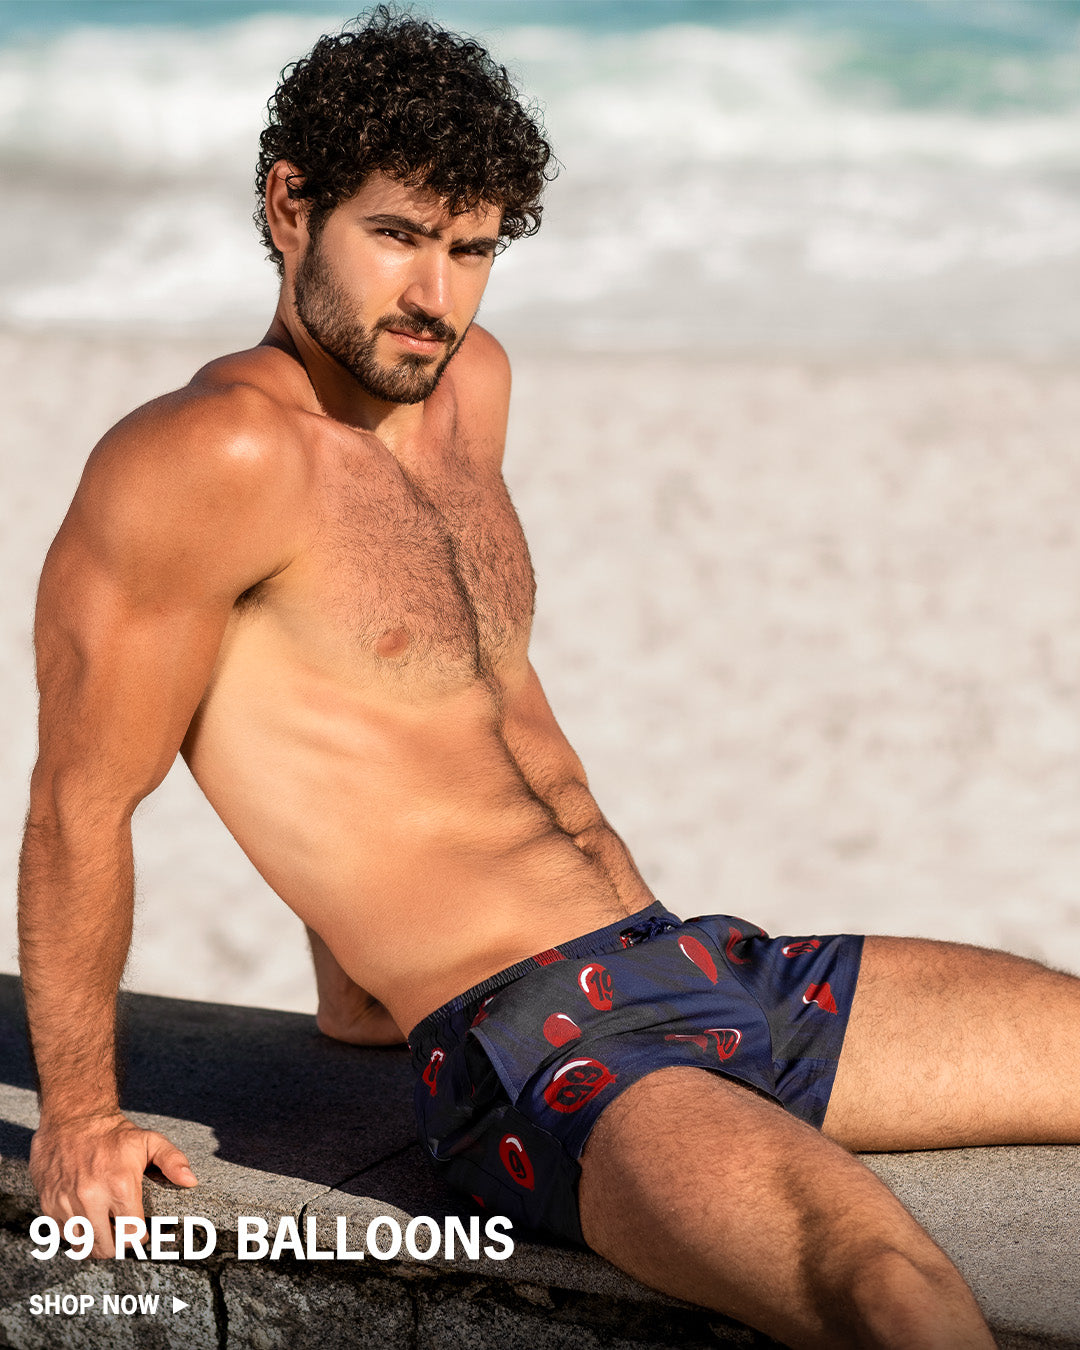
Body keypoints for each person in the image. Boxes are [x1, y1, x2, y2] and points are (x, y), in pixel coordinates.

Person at [17, 9, 1080, 1347]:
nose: (438, 296)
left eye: (472, 250)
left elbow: (407, 700)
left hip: (700, 960)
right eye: (398, 235)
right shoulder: (208, 456)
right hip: (547, 1052)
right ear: (290, 208)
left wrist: (350, 975)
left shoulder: (470, 388)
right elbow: (79, 801)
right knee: (891, 1291)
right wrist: (80, 1116)